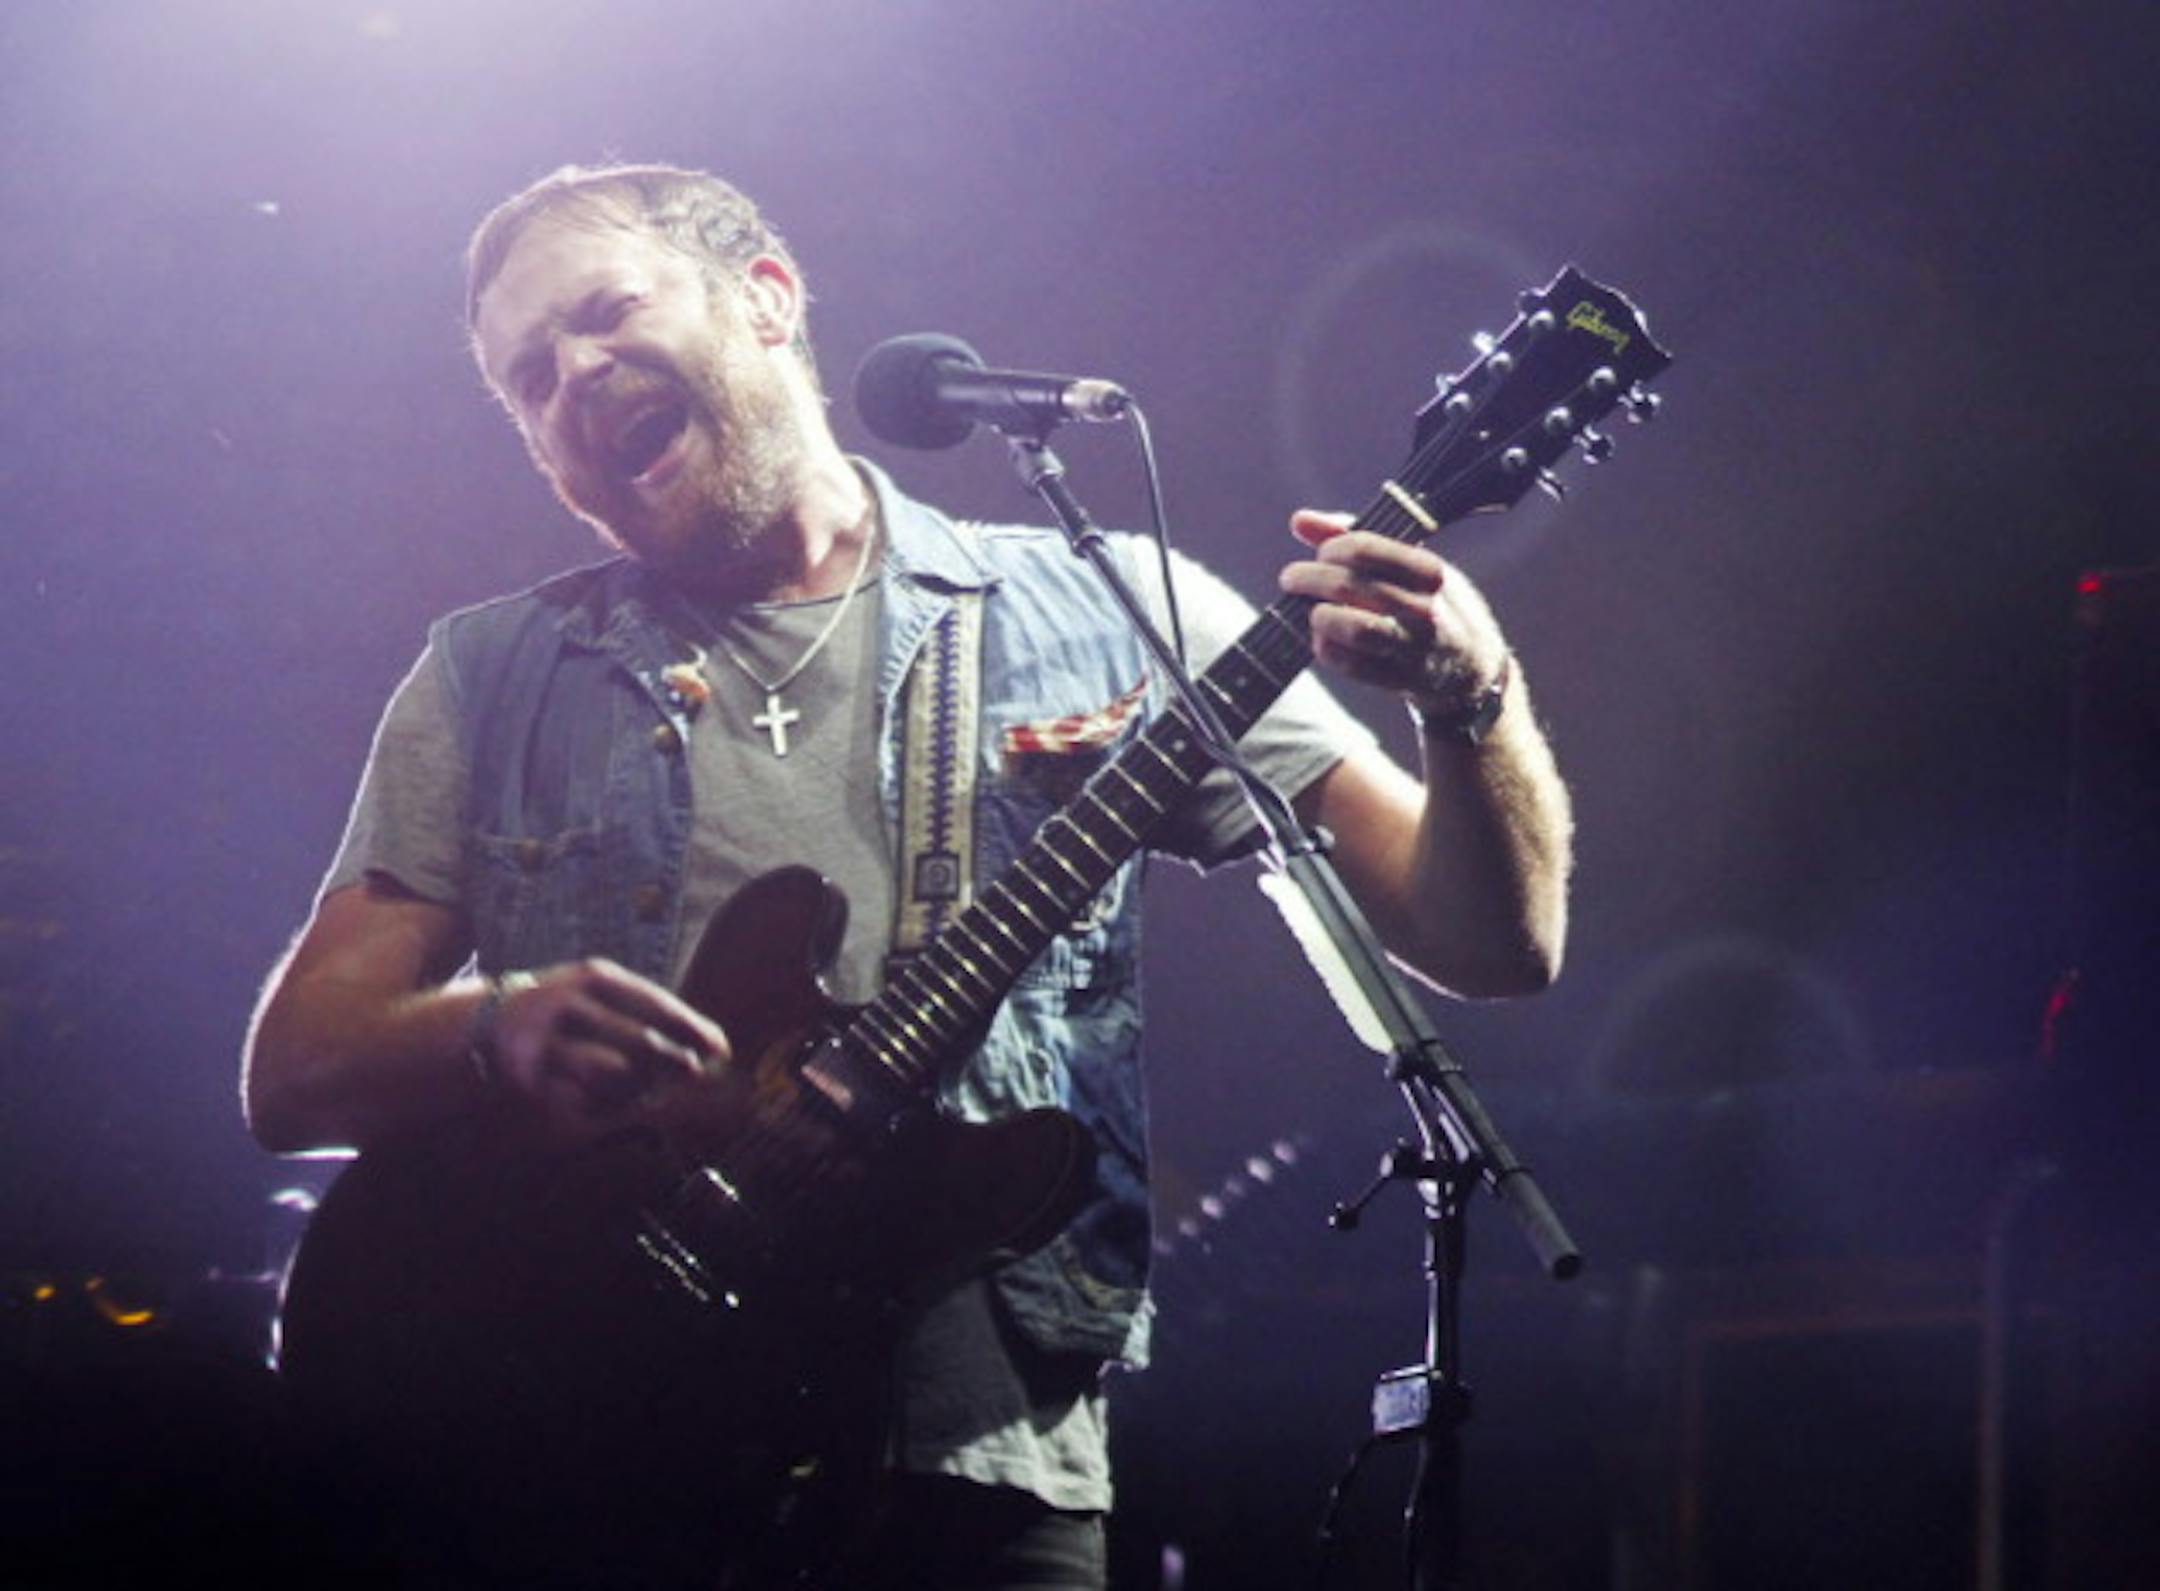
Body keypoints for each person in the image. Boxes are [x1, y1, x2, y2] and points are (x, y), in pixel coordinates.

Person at [243, 163, 1572, 1589]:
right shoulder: (491, 675)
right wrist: (494, 1027)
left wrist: (1470, 697)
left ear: (765, 299)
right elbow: (296, 1072)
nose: (571, 371)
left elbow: (1488, 944)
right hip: (578, 1463)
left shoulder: (1115, 607)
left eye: (607, 311)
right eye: (527, 375)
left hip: (974, 1474)